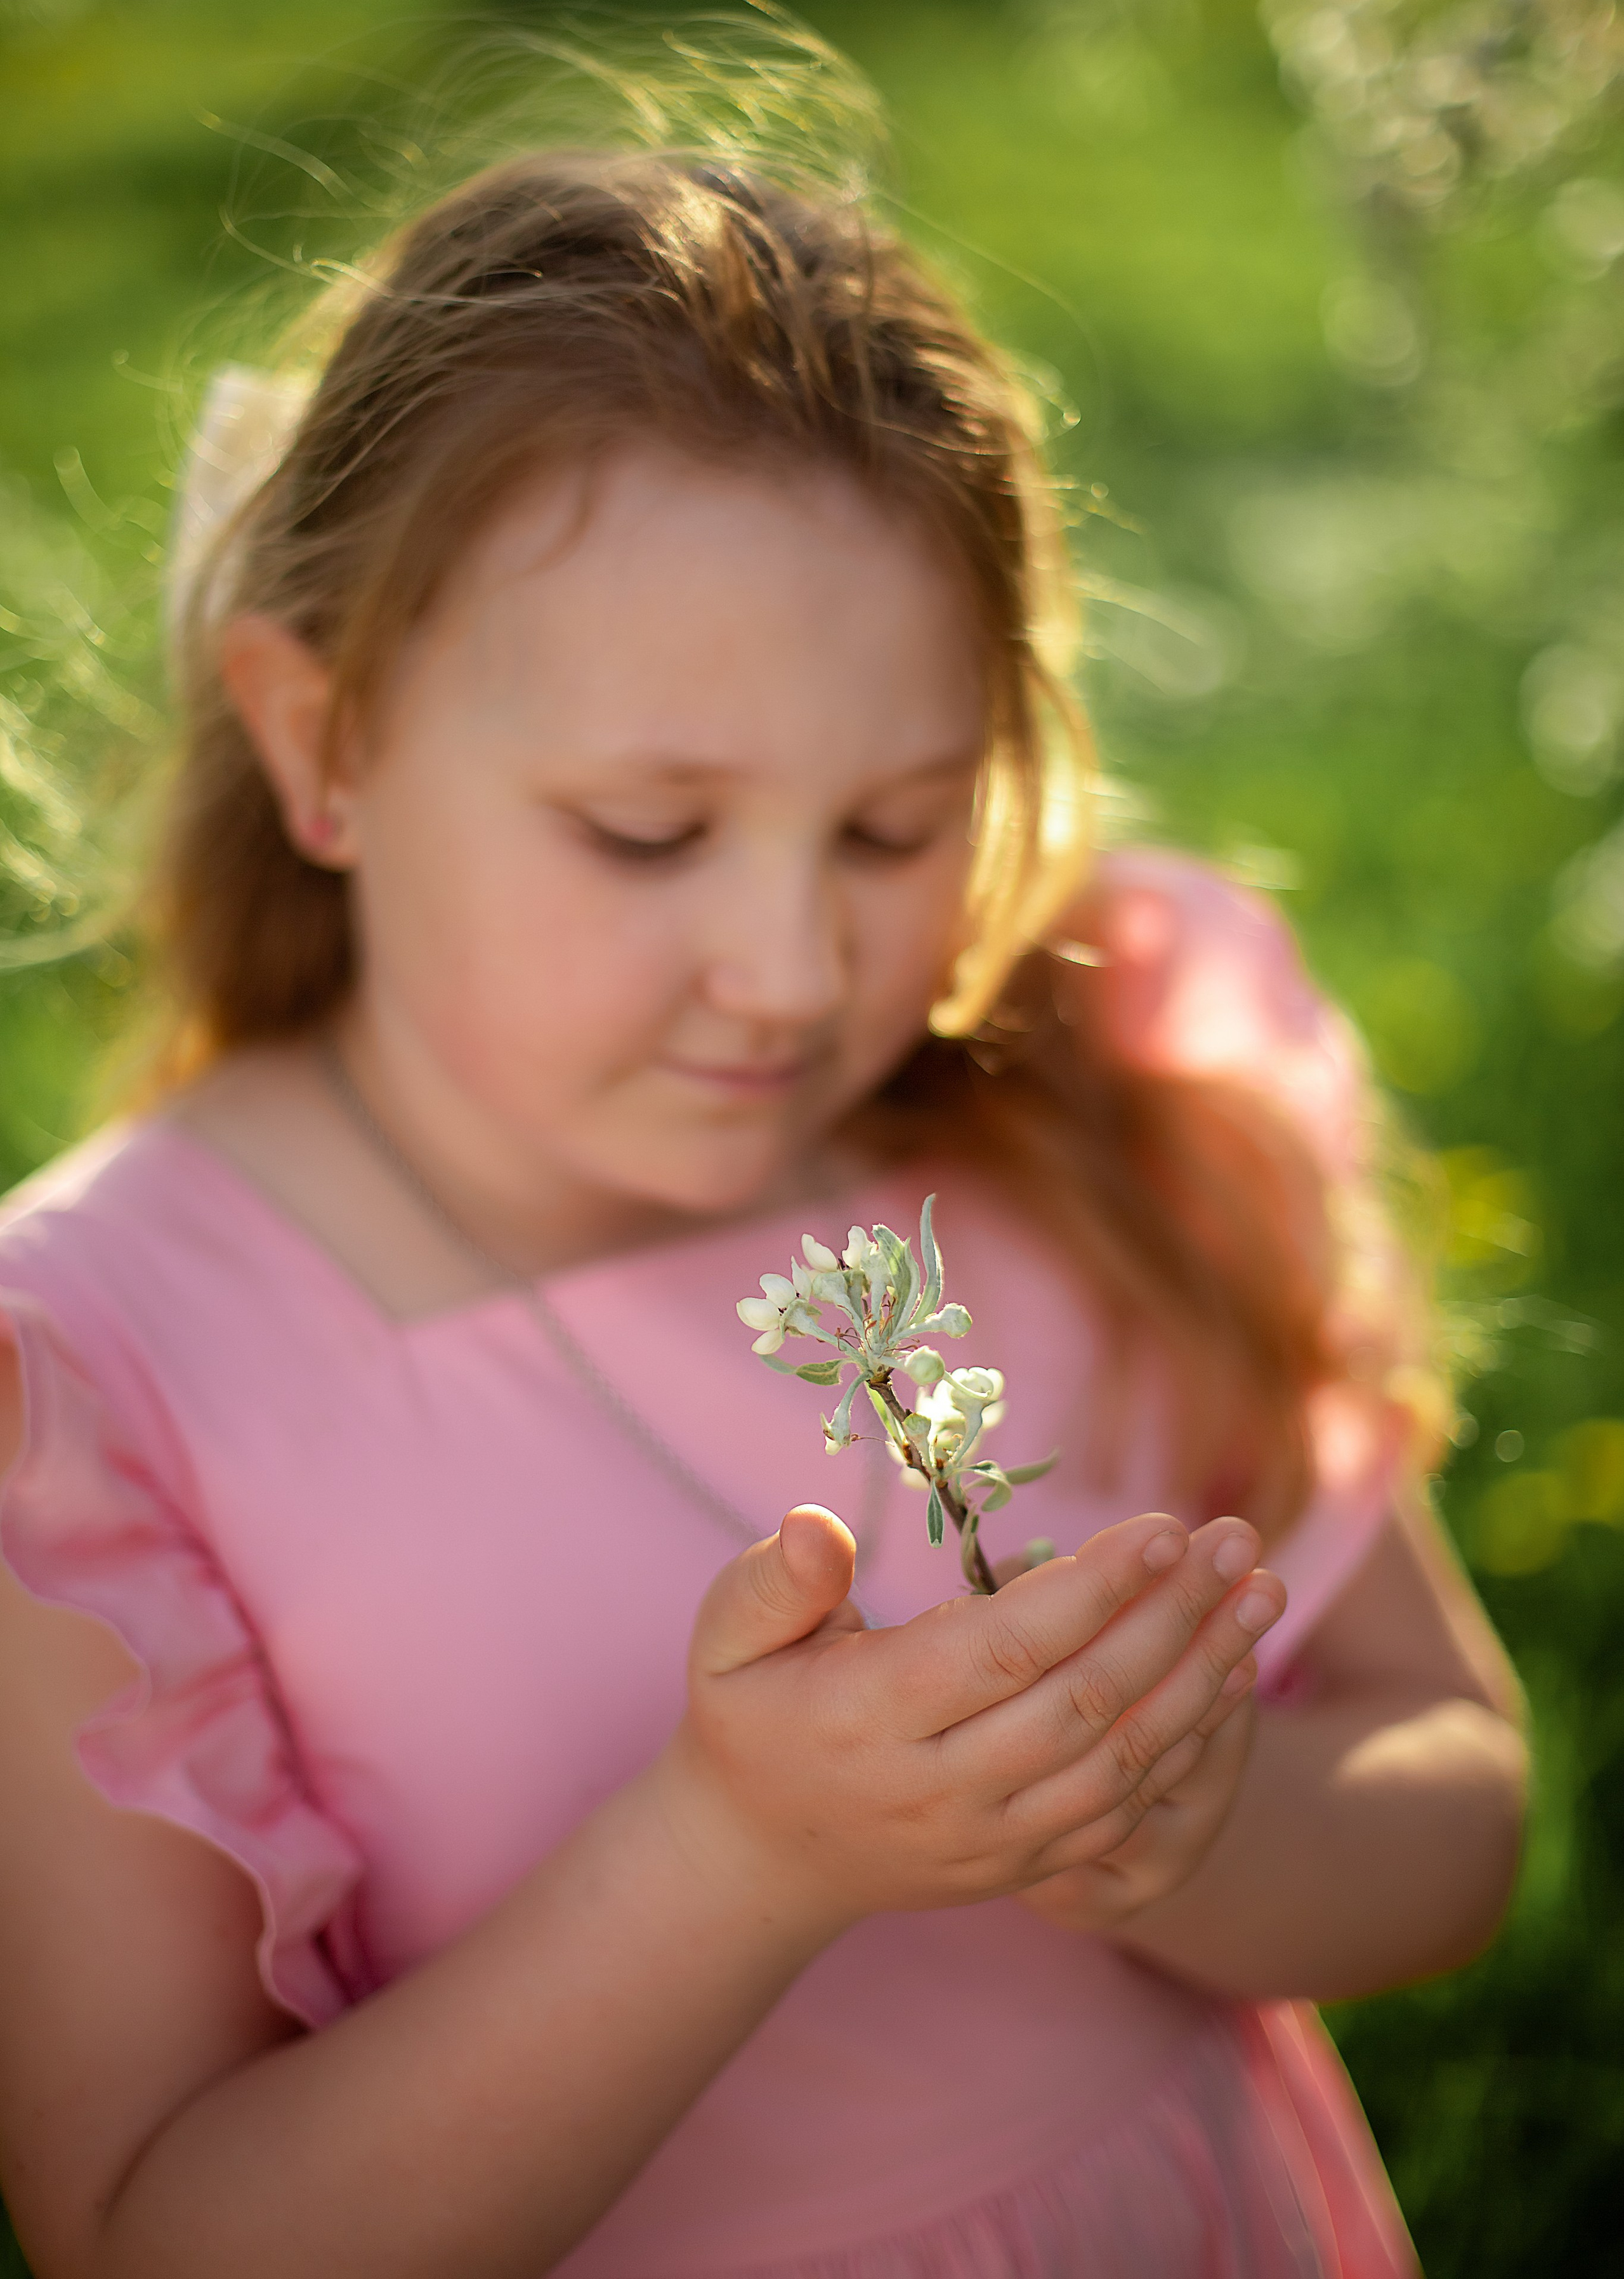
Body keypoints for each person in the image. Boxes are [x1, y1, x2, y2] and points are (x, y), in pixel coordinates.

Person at [0, 131, 1526, 2279]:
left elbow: (1459, 1794)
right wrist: (736, 1861)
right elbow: (161, 2231)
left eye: (901, 827)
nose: (801, 976)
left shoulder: (1093, 1106)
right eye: (647, 833)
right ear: (320, 741)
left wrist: (1191, 1835)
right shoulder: (101, 1368)